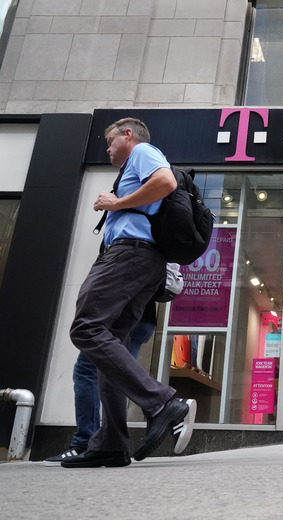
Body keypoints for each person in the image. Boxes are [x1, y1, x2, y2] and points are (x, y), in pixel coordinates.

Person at [64, 117, 196, 468]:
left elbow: (165, 182)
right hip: (142, 261)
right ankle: (111, 443)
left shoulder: (142, 152)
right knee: (113, 347)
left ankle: (161, 402)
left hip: (131, 255)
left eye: (109, 141)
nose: (106, 148)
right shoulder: (135, 163)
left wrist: (116, 203)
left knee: (86, 327)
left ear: (127, 135)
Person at [43, 300, 157, 466]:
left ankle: (86, 443)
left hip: (119, 313)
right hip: (144, 317)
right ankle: (112, 446)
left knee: (87, 371)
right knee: (119, 378)